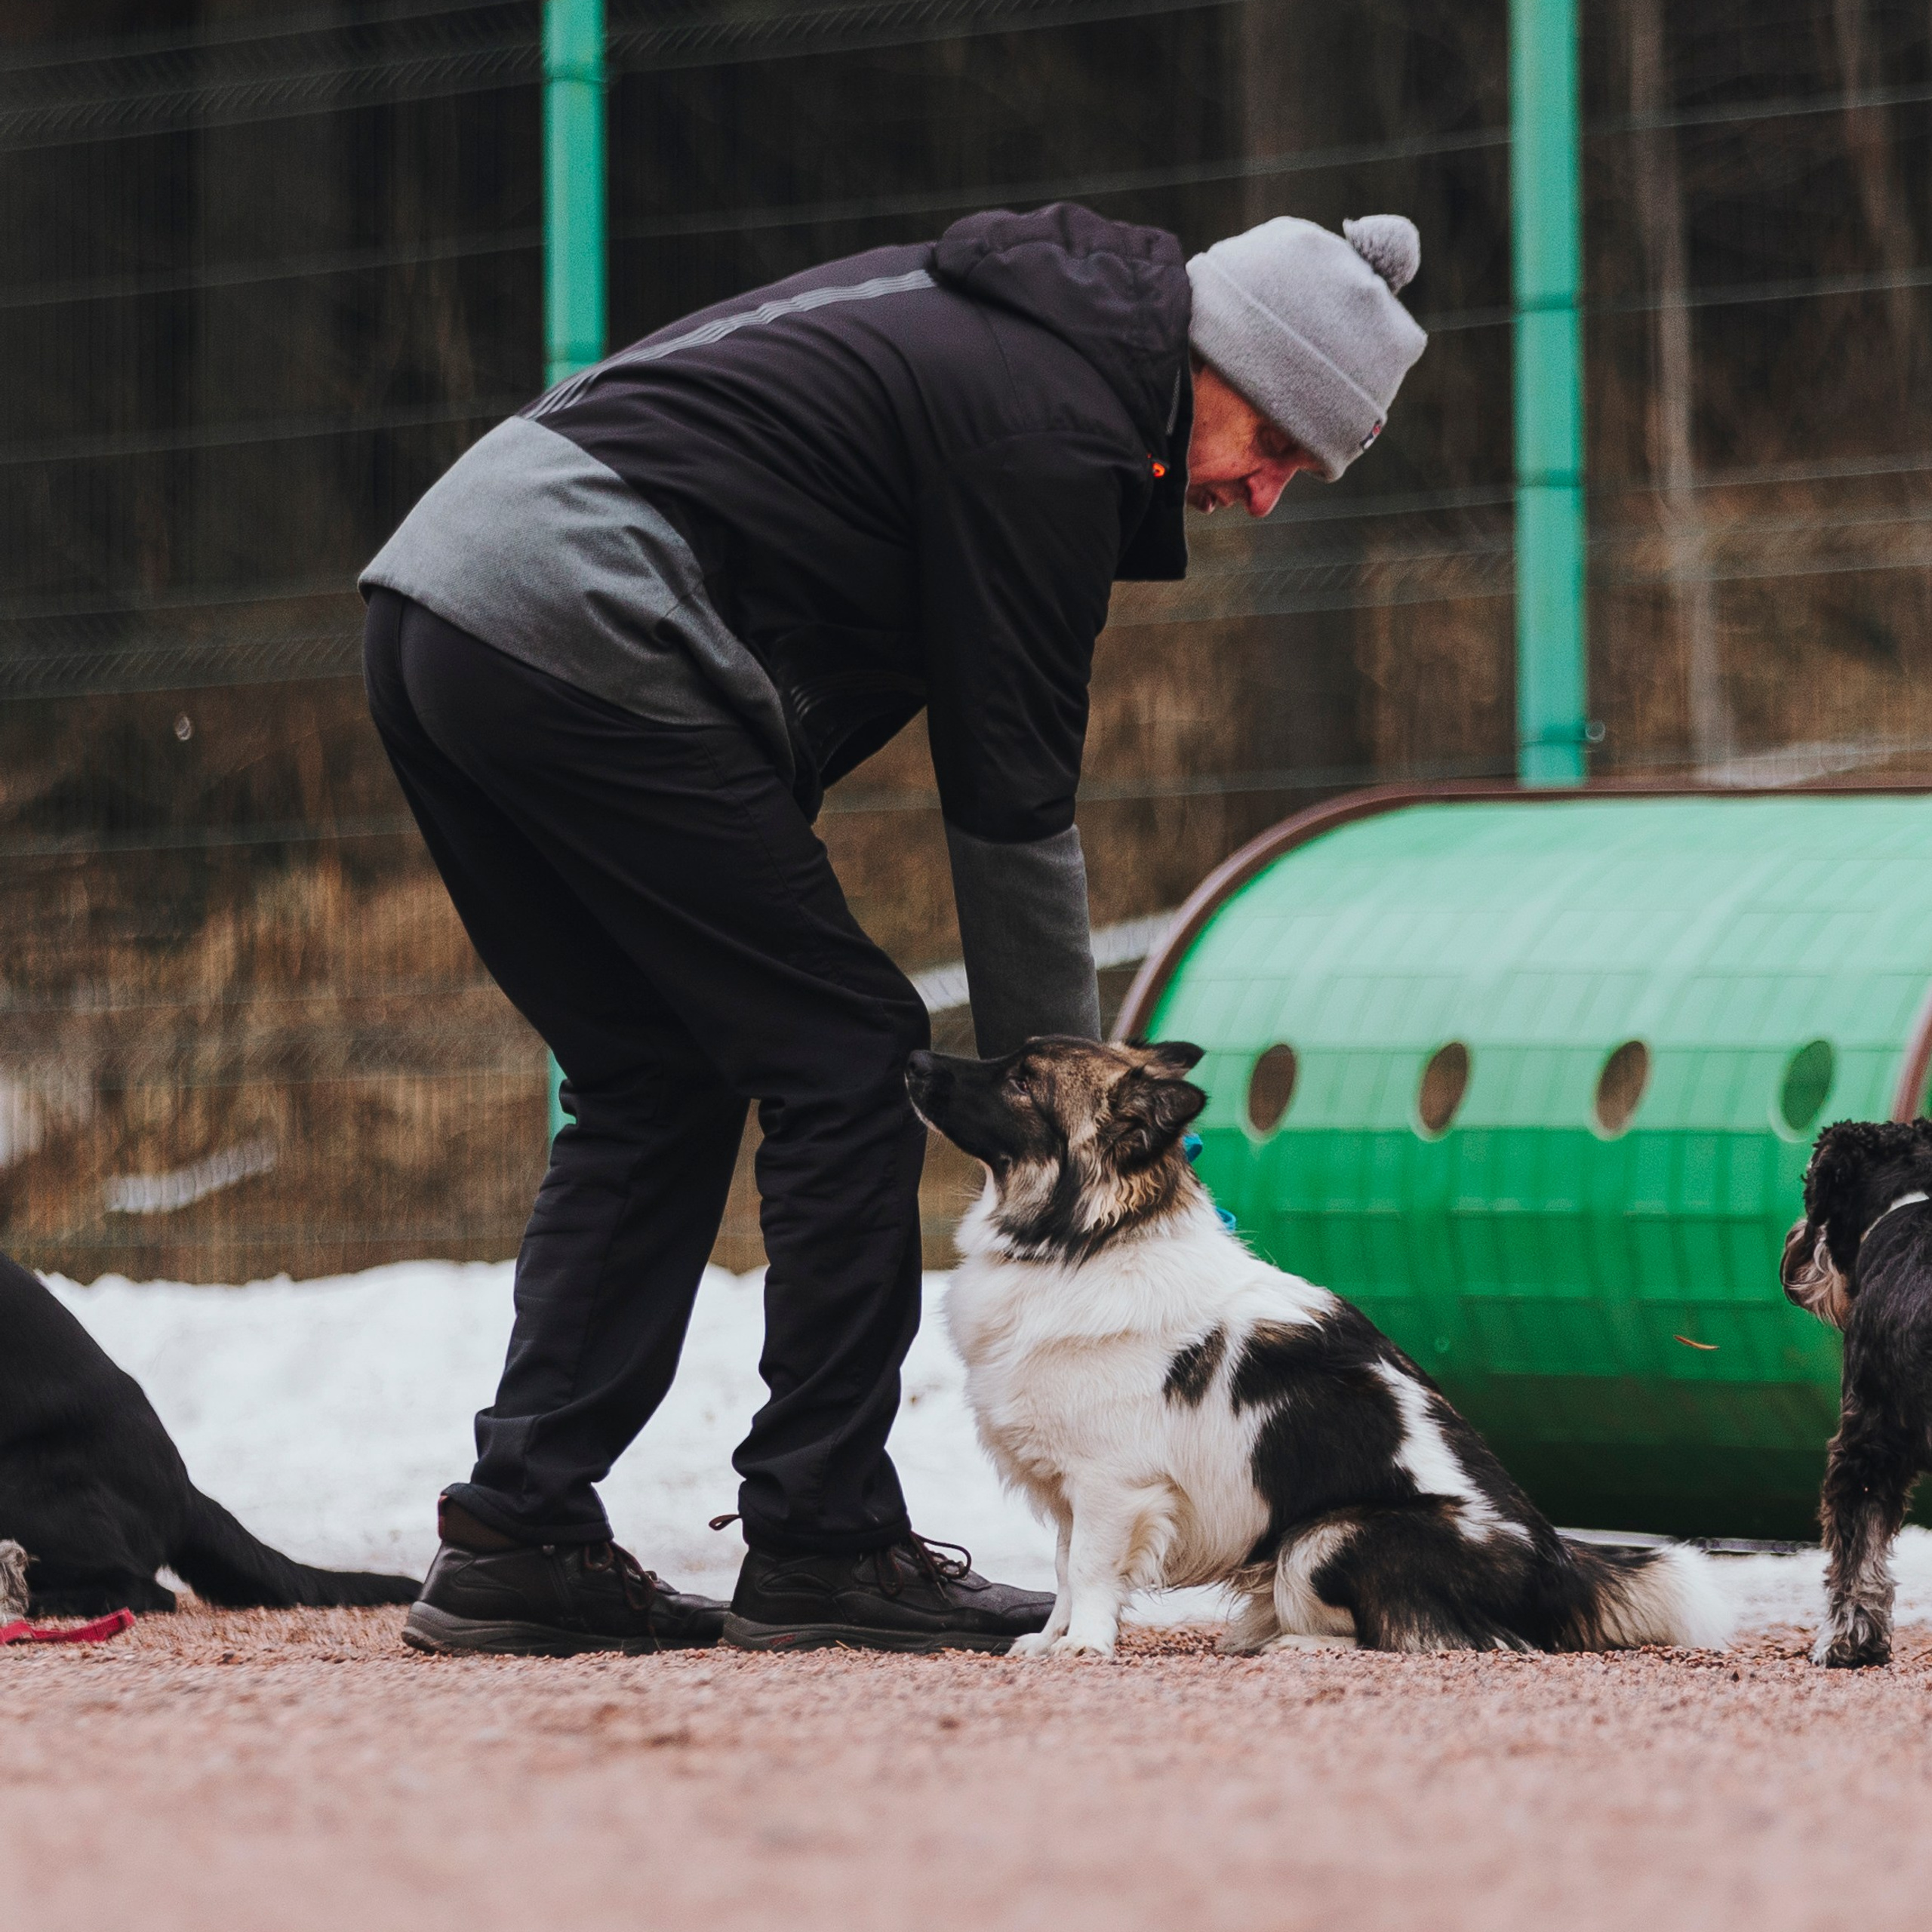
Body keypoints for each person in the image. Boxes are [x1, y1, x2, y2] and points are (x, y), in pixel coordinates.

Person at [359, 202, 1428, 1657]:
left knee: (653, 1073)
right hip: (579, 611)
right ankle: (825, 1539)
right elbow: (1012, 805)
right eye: (1282, 447)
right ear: (1223, 364)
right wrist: (1078, 1111)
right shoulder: (1056, 429)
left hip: (442, 609)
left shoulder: (1021, 346)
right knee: (849, 1053)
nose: (1266, 497)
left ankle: (520, 1532)